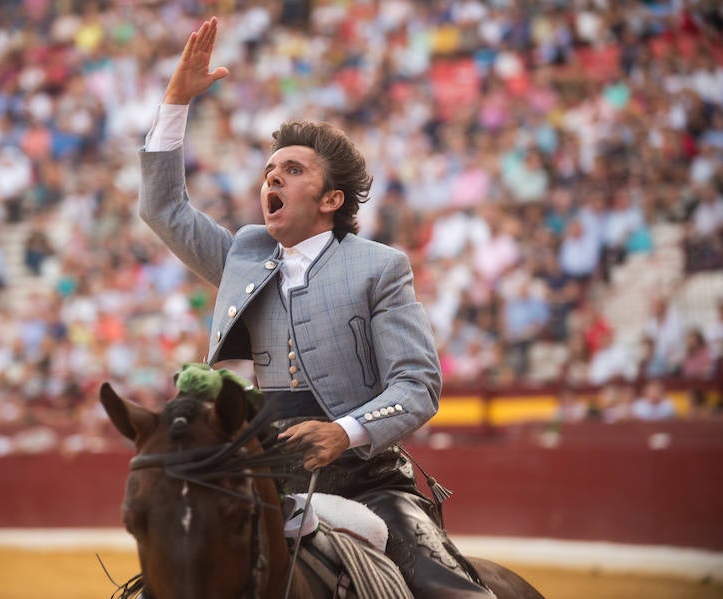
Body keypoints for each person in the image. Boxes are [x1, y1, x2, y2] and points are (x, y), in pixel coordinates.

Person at [136, 17, 492, 598]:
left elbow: (418, 383)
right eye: (269, 171)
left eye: (292, 171)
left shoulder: (379, 266)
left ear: (330, 200)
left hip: (366, 481)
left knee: (447, 592)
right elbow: (163, 210)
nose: (272, 177)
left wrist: (343, 433)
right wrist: (176, 99)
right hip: (265, 482)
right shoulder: (245, 256)